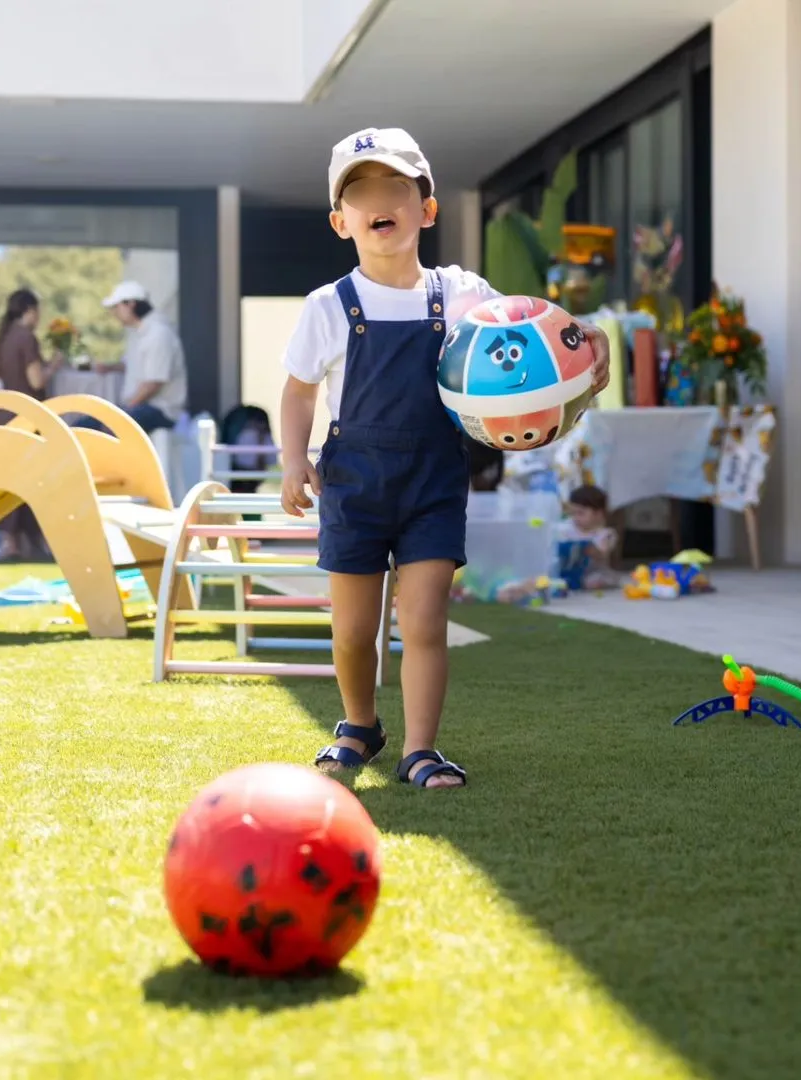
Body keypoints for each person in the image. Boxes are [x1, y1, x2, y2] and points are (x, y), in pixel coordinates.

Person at [279, 127, 611, 790]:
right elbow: (297, 391)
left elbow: (528, 335)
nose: (381, 201)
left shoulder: (462, 293)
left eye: (395, 188)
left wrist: (583, 345)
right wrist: (294, 459)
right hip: (354, 482)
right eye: (362, 191)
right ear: (341, 220)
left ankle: (421, 750)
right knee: (352, 631)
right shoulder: (328, 306)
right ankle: (360, 725)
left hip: (433, 479)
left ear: (425, 209)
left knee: (424, 619)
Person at [0, 288, 62, 560]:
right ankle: (26, 540)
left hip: (5, 415)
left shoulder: (3, 337)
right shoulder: (26, 338)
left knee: (10, 478)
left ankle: (11, 540)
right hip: (29, 417)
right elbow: (37, 381)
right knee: (33, 478)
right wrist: (54, 364)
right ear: (30, 309)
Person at [75, 281, 187, 435]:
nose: (114, 313)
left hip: (160, 410)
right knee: (84, 424)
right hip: (140, 406)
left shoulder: (158, 334)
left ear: (131, 304)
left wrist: (125, 411)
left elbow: (154, 383)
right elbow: (134, 365)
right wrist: (110, 367)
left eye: (116, 307)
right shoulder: (140, 333)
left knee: (107, 429)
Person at [557, 484, 618, 589]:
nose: (576, 517)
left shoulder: (605, 534)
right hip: (567, 570)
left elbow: (603, 554)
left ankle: (578, 583)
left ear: (598, 514)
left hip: (591, 572)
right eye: (573, 513)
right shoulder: (567, 527)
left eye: (581, 513)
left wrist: (593, 551)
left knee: (601, 579)